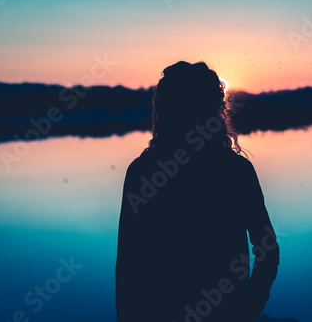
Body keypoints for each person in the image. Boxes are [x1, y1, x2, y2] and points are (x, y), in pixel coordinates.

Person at [116, 61, 279, 322]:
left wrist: (248, 308)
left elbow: (128, 267)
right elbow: (268, 249)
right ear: (215, 111)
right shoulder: (236, 170)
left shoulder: (142, 172)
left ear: (163, 111)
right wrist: (249, 306)